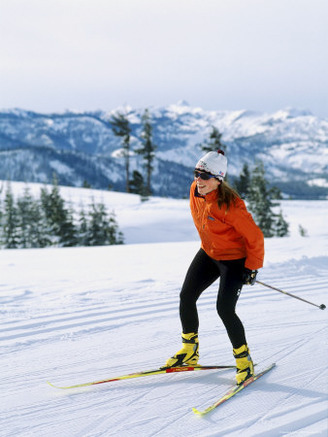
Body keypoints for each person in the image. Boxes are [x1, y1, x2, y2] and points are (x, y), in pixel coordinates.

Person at [164, 150, 264, 384]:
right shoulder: (195, 190)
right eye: (196, 173)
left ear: (218, 179)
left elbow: (255, 238)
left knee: (225, 309)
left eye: (205, 176)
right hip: (209, 253)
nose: (198, 180)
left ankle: (244, 362)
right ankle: (190, 350)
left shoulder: (231, 206)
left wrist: (251, 268)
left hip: (233, 260)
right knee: (187, 295)